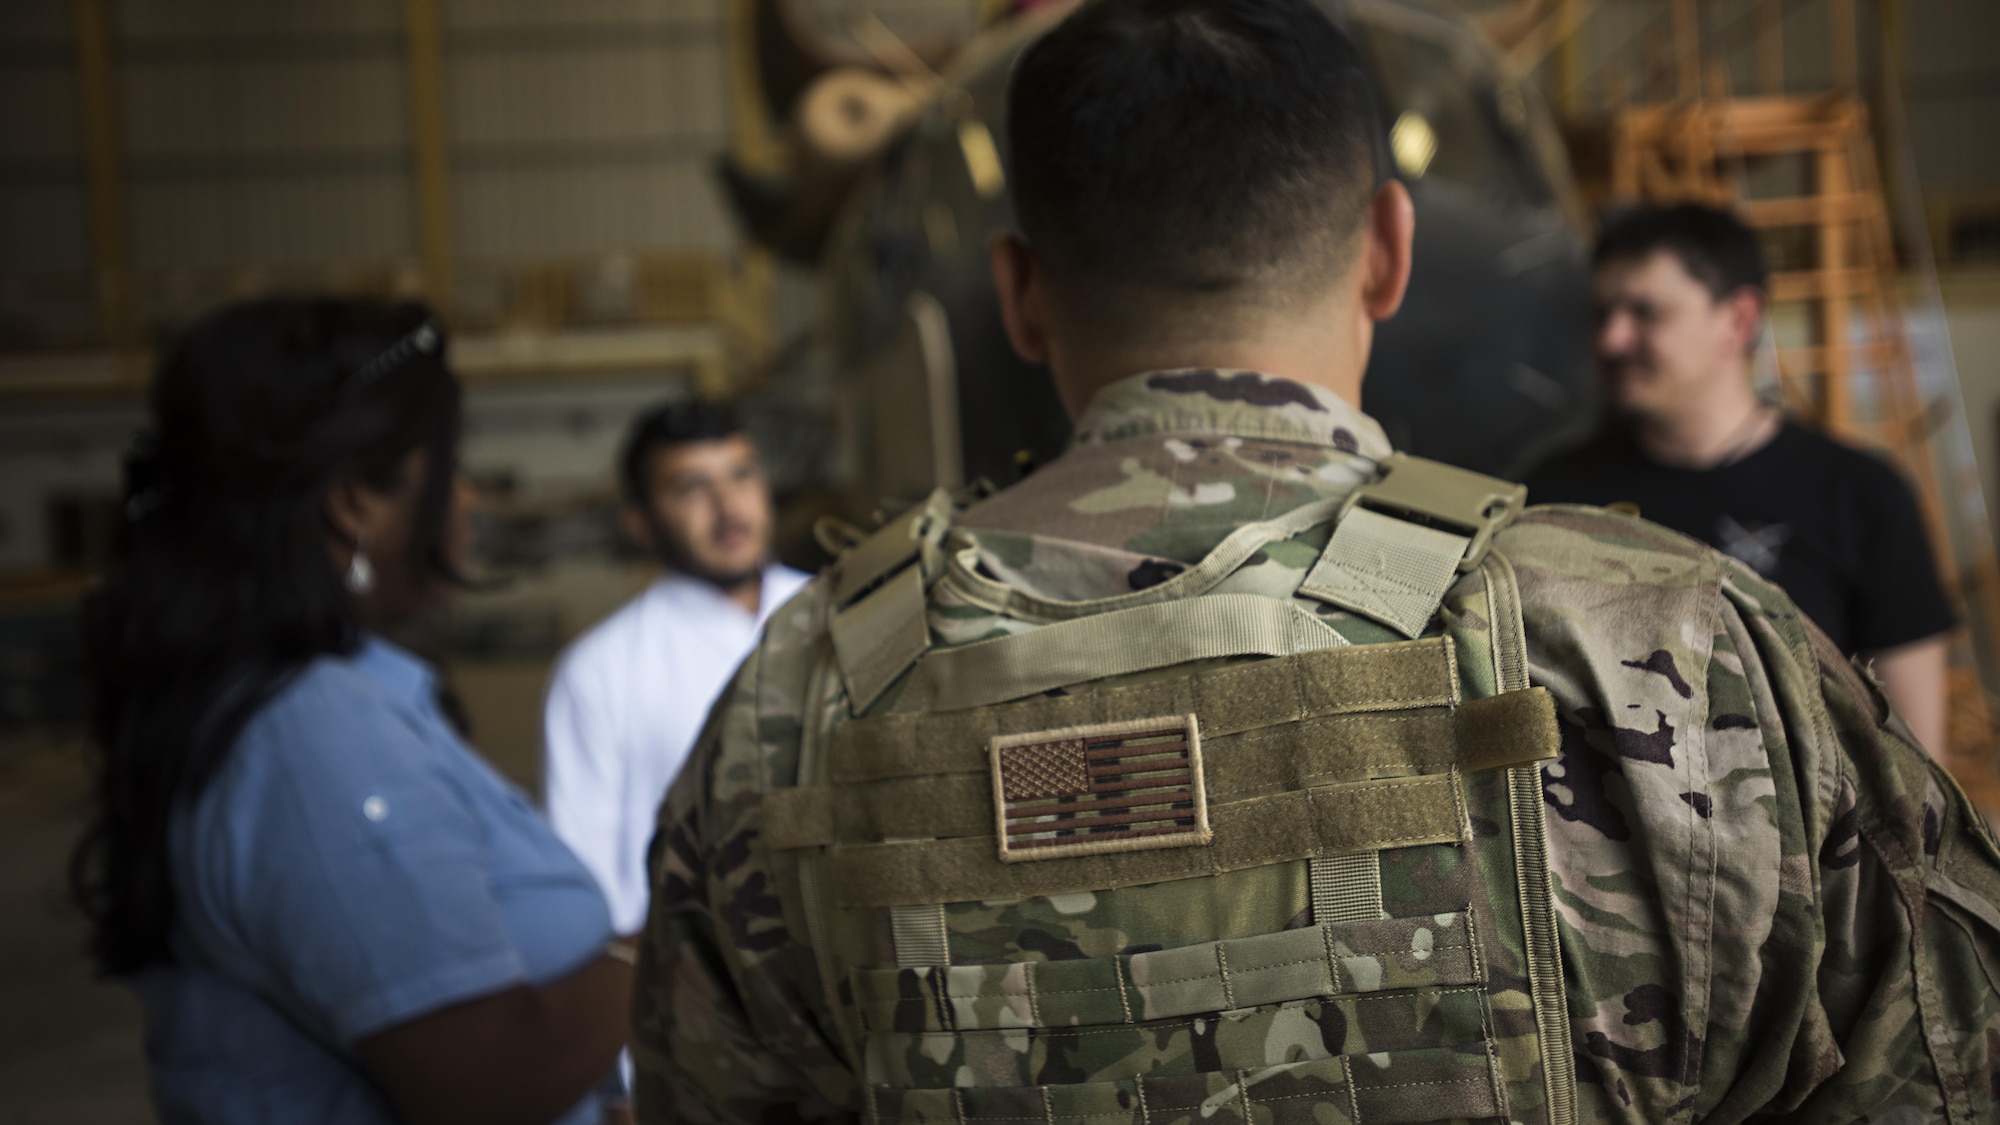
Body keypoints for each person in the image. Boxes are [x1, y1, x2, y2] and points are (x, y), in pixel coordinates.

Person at [629, 2, 2000, 1123]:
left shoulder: (797, 699)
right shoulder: (1665, 637)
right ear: (1390, 251)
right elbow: (1944, 1066)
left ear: (1019, 292)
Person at [71, 298, 630, 1125]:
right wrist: (670, 942)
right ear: (354, 503)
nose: (468, 498)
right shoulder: (314, 737)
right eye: (452, 467)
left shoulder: (295, 700)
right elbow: (491, 1080)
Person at [1526, 204, 1955, 755]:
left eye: (1645, 312)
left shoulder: (1860, 496)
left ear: (1739, 320)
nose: (1612, 340)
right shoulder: (1554, 493)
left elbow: (1915, 762)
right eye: (1602, 313)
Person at [542, 400, 807, 938]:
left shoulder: (842, 613)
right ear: (639, 523)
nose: (729, 506)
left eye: (741, 474)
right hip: (687, 979)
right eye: (692, 487)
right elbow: (585, 890)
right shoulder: (599, 671)